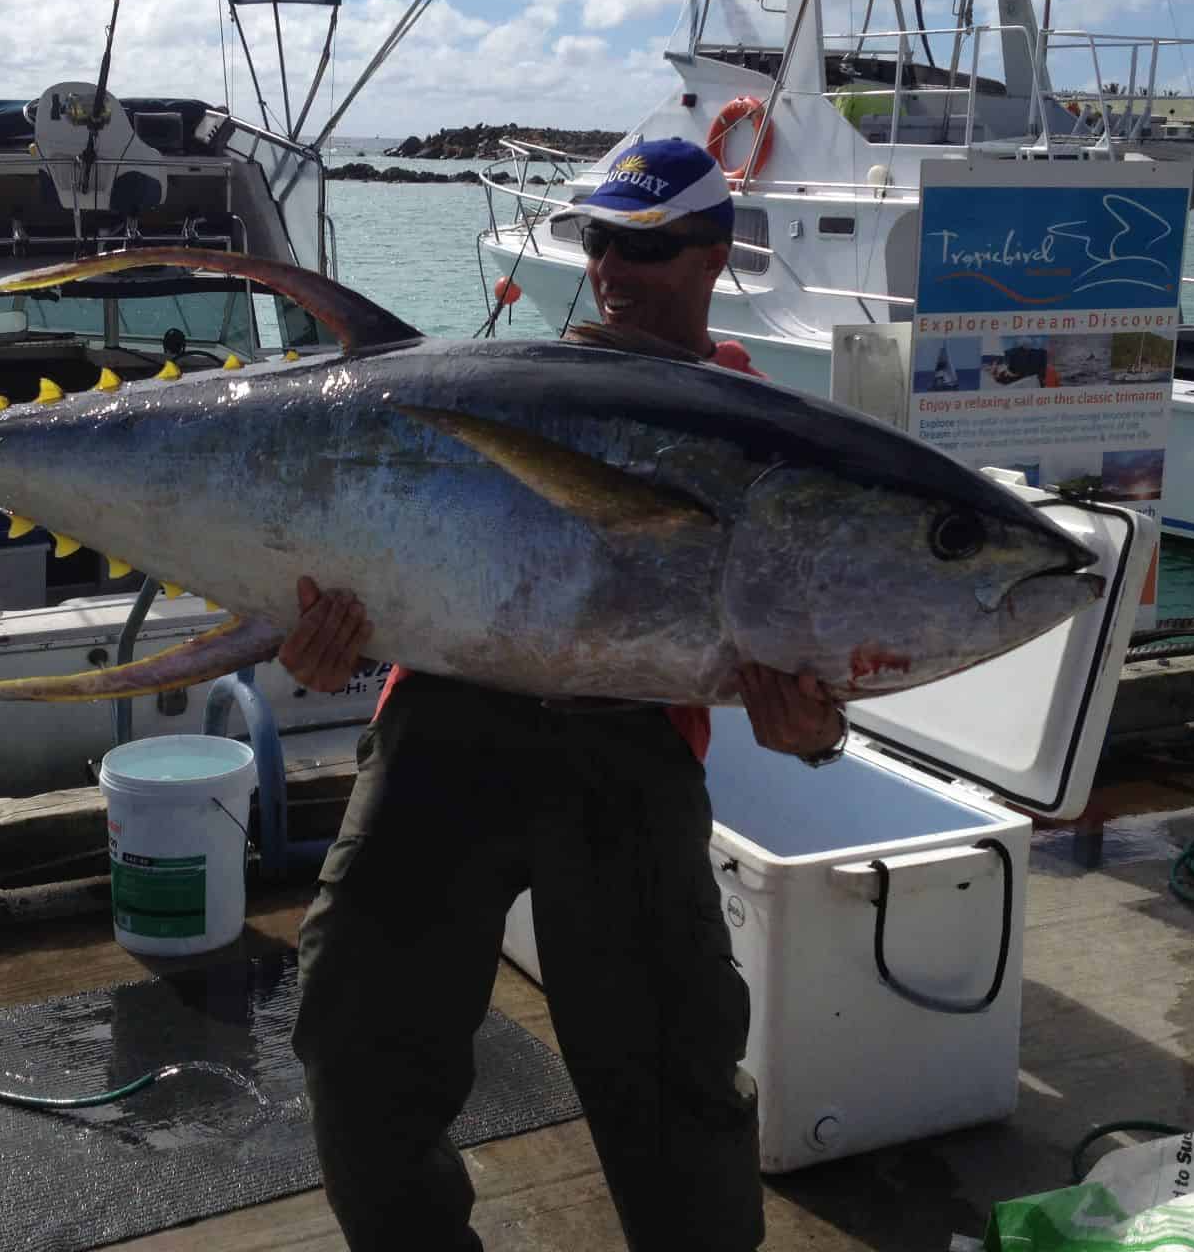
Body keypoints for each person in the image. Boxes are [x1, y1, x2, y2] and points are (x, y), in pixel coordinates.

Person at [284, 138, 845, 1252]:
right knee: (353, 1037)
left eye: (647, 244)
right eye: (598, 239)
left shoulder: (763, 433)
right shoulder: (517, 386)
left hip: (627, 760)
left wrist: (814, 729)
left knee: (673, 1076)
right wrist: (323, 650)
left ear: (714, 255)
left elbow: (821, 658)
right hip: (442, 723)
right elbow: (382, 564)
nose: (614, 268)